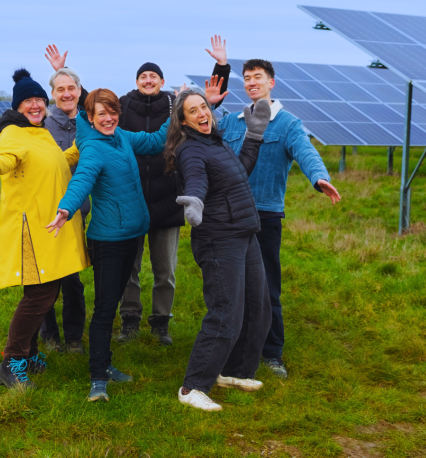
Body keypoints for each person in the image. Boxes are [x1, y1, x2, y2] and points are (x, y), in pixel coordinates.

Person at [44, 38, 230, 345]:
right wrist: (64, 74)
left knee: (165, 271)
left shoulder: (170, 107)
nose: (147, 79)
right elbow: (94, 110)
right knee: (128, 272)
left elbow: (170, 132)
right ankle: (129, 319)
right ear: (135, 81)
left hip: (166, 202)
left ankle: (160, 322)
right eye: (143, 75)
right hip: (125, 210)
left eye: (153, 76)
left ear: (162, 81)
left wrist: (212, 77)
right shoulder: (120, 110)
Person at [217, 58, 341, 379]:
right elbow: (201, 137)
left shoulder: (287, 124)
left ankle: (272, 353)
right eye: (247, 78)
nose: (251, 82)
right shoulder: (231, 122)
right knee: (232, 286)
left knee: (267, 288)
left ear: (272, 82)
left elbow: (305, 151)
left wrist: (319, 178)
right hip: (230, 216)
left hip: (264, 218)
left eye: (257, 77)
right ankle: (235, 347)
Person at [0, 68, 89, 390]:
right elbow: (7, 158)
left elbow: (55, 162)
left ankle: (29, 354)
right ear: (18, 107)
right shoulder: (15, 134)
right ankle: (12, 363)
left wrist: (80, 147)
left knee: (44, 294)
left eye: (39, 100)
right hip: (31, 231)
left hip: (50, 228)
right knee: (39, 296)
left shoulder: (40, 132)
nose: (35, 105)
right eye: (29, 102)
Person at [46, 88, 170, 402]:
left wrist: (179, 111)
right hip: (108, 242)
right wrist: (66, 208)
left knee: (112, 304)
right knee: (104, 311)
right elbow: (83, 178)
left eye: (112, 111)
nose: (109, 117)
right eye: (101, 113)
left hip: (132, 235)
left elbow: (155, 141)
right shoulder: (91, 147)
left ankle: (106, 363)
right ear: (90, 117)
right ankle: (98, 378)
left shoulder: (123, 137)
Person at [164, 89, 272, 411]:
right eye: (193, 111)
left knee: (258, 308)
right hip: (218, 239)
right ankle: (192, 387)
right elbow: (196, 179)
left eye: (204, 107)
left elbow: (239, 171)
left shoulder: (216, 142)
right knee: (226, 314)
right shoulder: (190, 150)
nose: (202, 113)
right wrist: (194, 200)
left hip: (243, 233)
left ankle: (235, 371)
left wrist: (253, 135)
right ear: (182, 121)